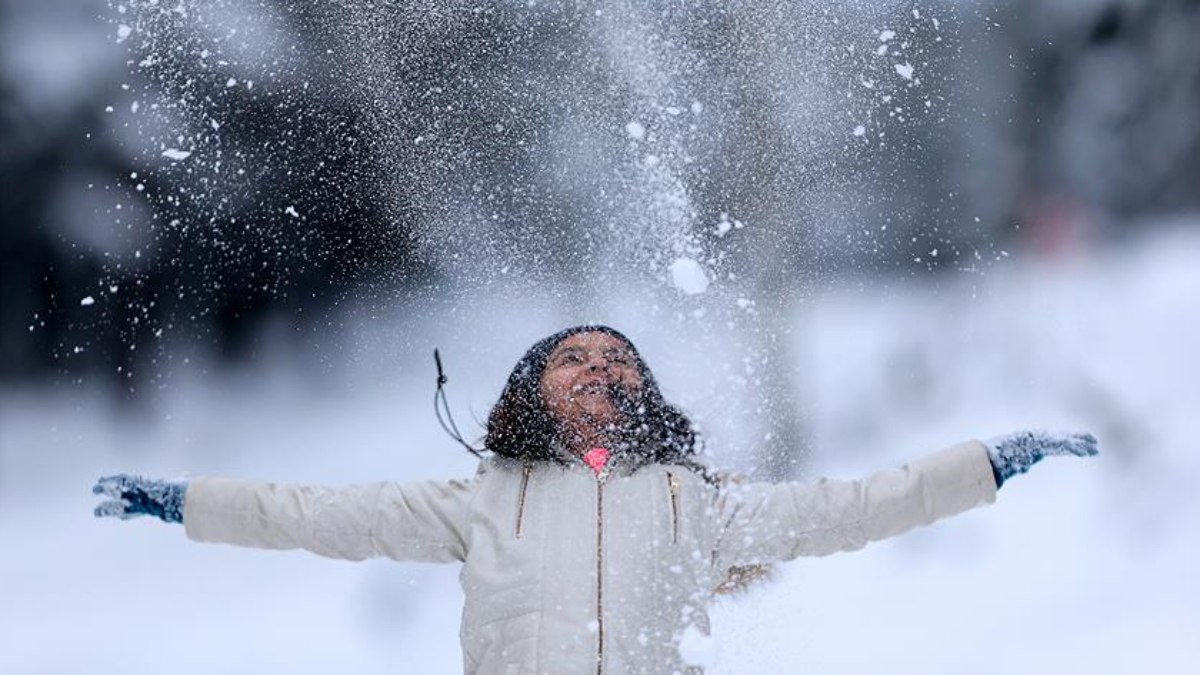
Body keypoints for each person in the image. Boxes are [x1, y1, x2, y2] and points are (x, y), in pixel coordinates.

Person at [93, 325, 1098, 675]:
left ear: (643, 392)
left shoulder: (697, 505)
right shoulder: (479, 501)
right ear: (533, 389)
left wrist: (988, 464)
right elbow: (314, 513)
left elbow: (855, 505)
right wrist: (186, 502)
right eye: (572, 358)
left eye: (618, 359)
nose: (597, 368)